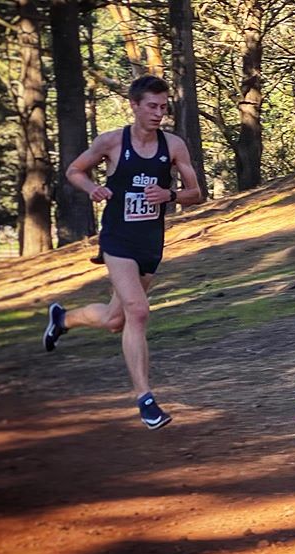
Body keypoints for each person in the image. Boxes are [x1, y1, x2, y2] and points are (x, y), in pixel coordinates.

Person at [43, 75, 201, 429]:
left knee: (117, 321)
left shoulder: (173, 146)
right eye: (152, 106)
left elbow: (196, 193)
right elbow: (74, 170)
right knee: (138, 312)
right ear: (134, 105)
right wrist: (93, 188)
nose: (159, 113)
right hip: (116, 238)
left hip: (150, 242)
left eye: (163, 107)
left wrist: (170, 196)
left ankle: (62, 319)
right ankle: (145, 399)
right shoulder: (112, 142)